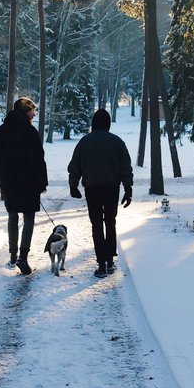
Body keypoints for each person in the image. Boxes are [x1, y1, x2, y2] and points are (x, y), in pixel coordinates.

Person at [68, 108, 133, 278]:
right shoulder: (117, 142)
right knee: (110, 222)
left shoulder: (85, 142)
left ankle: (102, 263)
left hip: (92, 188)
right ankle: (110, 259)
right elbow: (125, 167)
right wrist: (128, 189)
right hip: (112, 188)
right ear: (108, 124)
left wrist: (73, 186)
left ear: (93, 123)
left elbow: (75, 166)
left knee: (96, 225)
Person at [0, 97, 48, 275]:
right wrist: (42, 182)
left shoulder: (2, 131)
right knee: (29, 218)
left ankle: (13, 255)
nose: (34, 113)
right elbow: (39, 160)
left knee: (12, 216)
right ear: (25, 111)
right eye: (32, 110)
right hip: (28, 182)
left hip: (8, 181)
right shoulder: (30, 131)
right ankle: (23, 256)